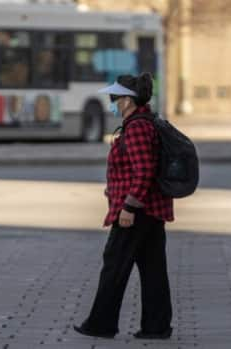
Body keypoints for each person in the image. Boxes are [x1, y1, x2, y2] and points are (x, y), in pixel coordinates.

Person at [74, 73, 174, 340]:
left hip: (137, 211)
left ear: (128, 101)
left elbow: (144, 171)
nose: (111, 103)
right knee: (153, 269)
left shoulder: (138, 127)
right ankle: (157, 327)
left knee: (114, 265)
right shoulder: (141, 123)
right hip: (151, 210)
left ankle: (101, 324)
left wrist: (128, 207)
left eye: (114, 98)